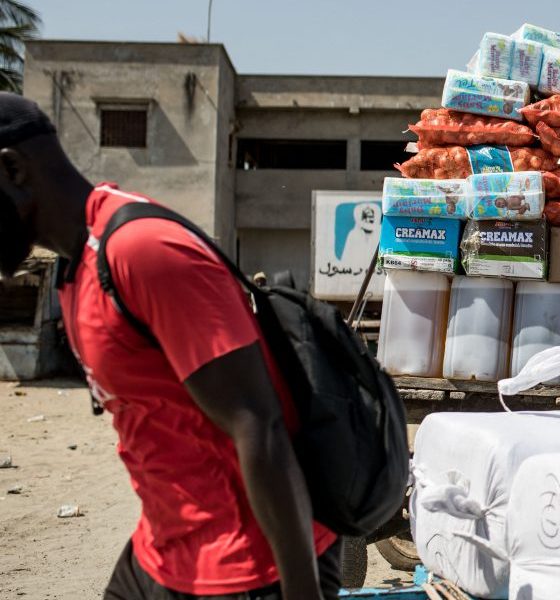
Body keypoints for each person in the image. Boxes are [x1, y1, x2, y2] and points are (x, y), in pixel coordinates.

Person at [0, 94, 341, 599]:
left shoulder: (142, 251)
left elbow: (259, 423)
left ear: (12, 169)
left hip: (247, 567)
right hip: (162, 550)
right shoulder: (75, 270)